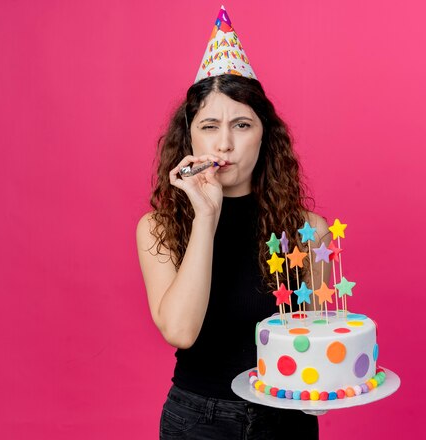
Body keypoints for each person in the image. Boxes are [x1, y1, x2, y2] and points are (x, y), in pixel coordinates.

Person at [136, 7, 329, 439]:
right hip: (198, 422)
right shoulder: (158, 228)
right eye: (209, 126)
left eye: (242, 124)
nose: (224, 143)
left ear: (265, 134)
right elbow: (181, 331)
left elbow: (316, 348)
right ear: (190, 137)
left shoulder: (308, 230)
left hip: (285, 421)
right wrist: (206, 215)